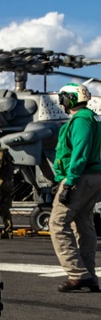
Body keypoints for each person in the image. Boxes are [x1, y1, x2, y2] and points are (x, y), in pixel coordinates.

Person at [49, 83, 101, 292]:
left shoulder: (81, 121)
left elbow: (80, 152)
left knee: (57, 223)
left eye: (63, 98)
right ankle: (89, 274)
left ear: (70, 98)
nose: (61, 102)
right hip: (92, 176)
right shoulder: (90, 118)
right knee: (83, 223)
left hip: (80, 177)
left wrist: (69, 181)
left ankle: (77, 274)